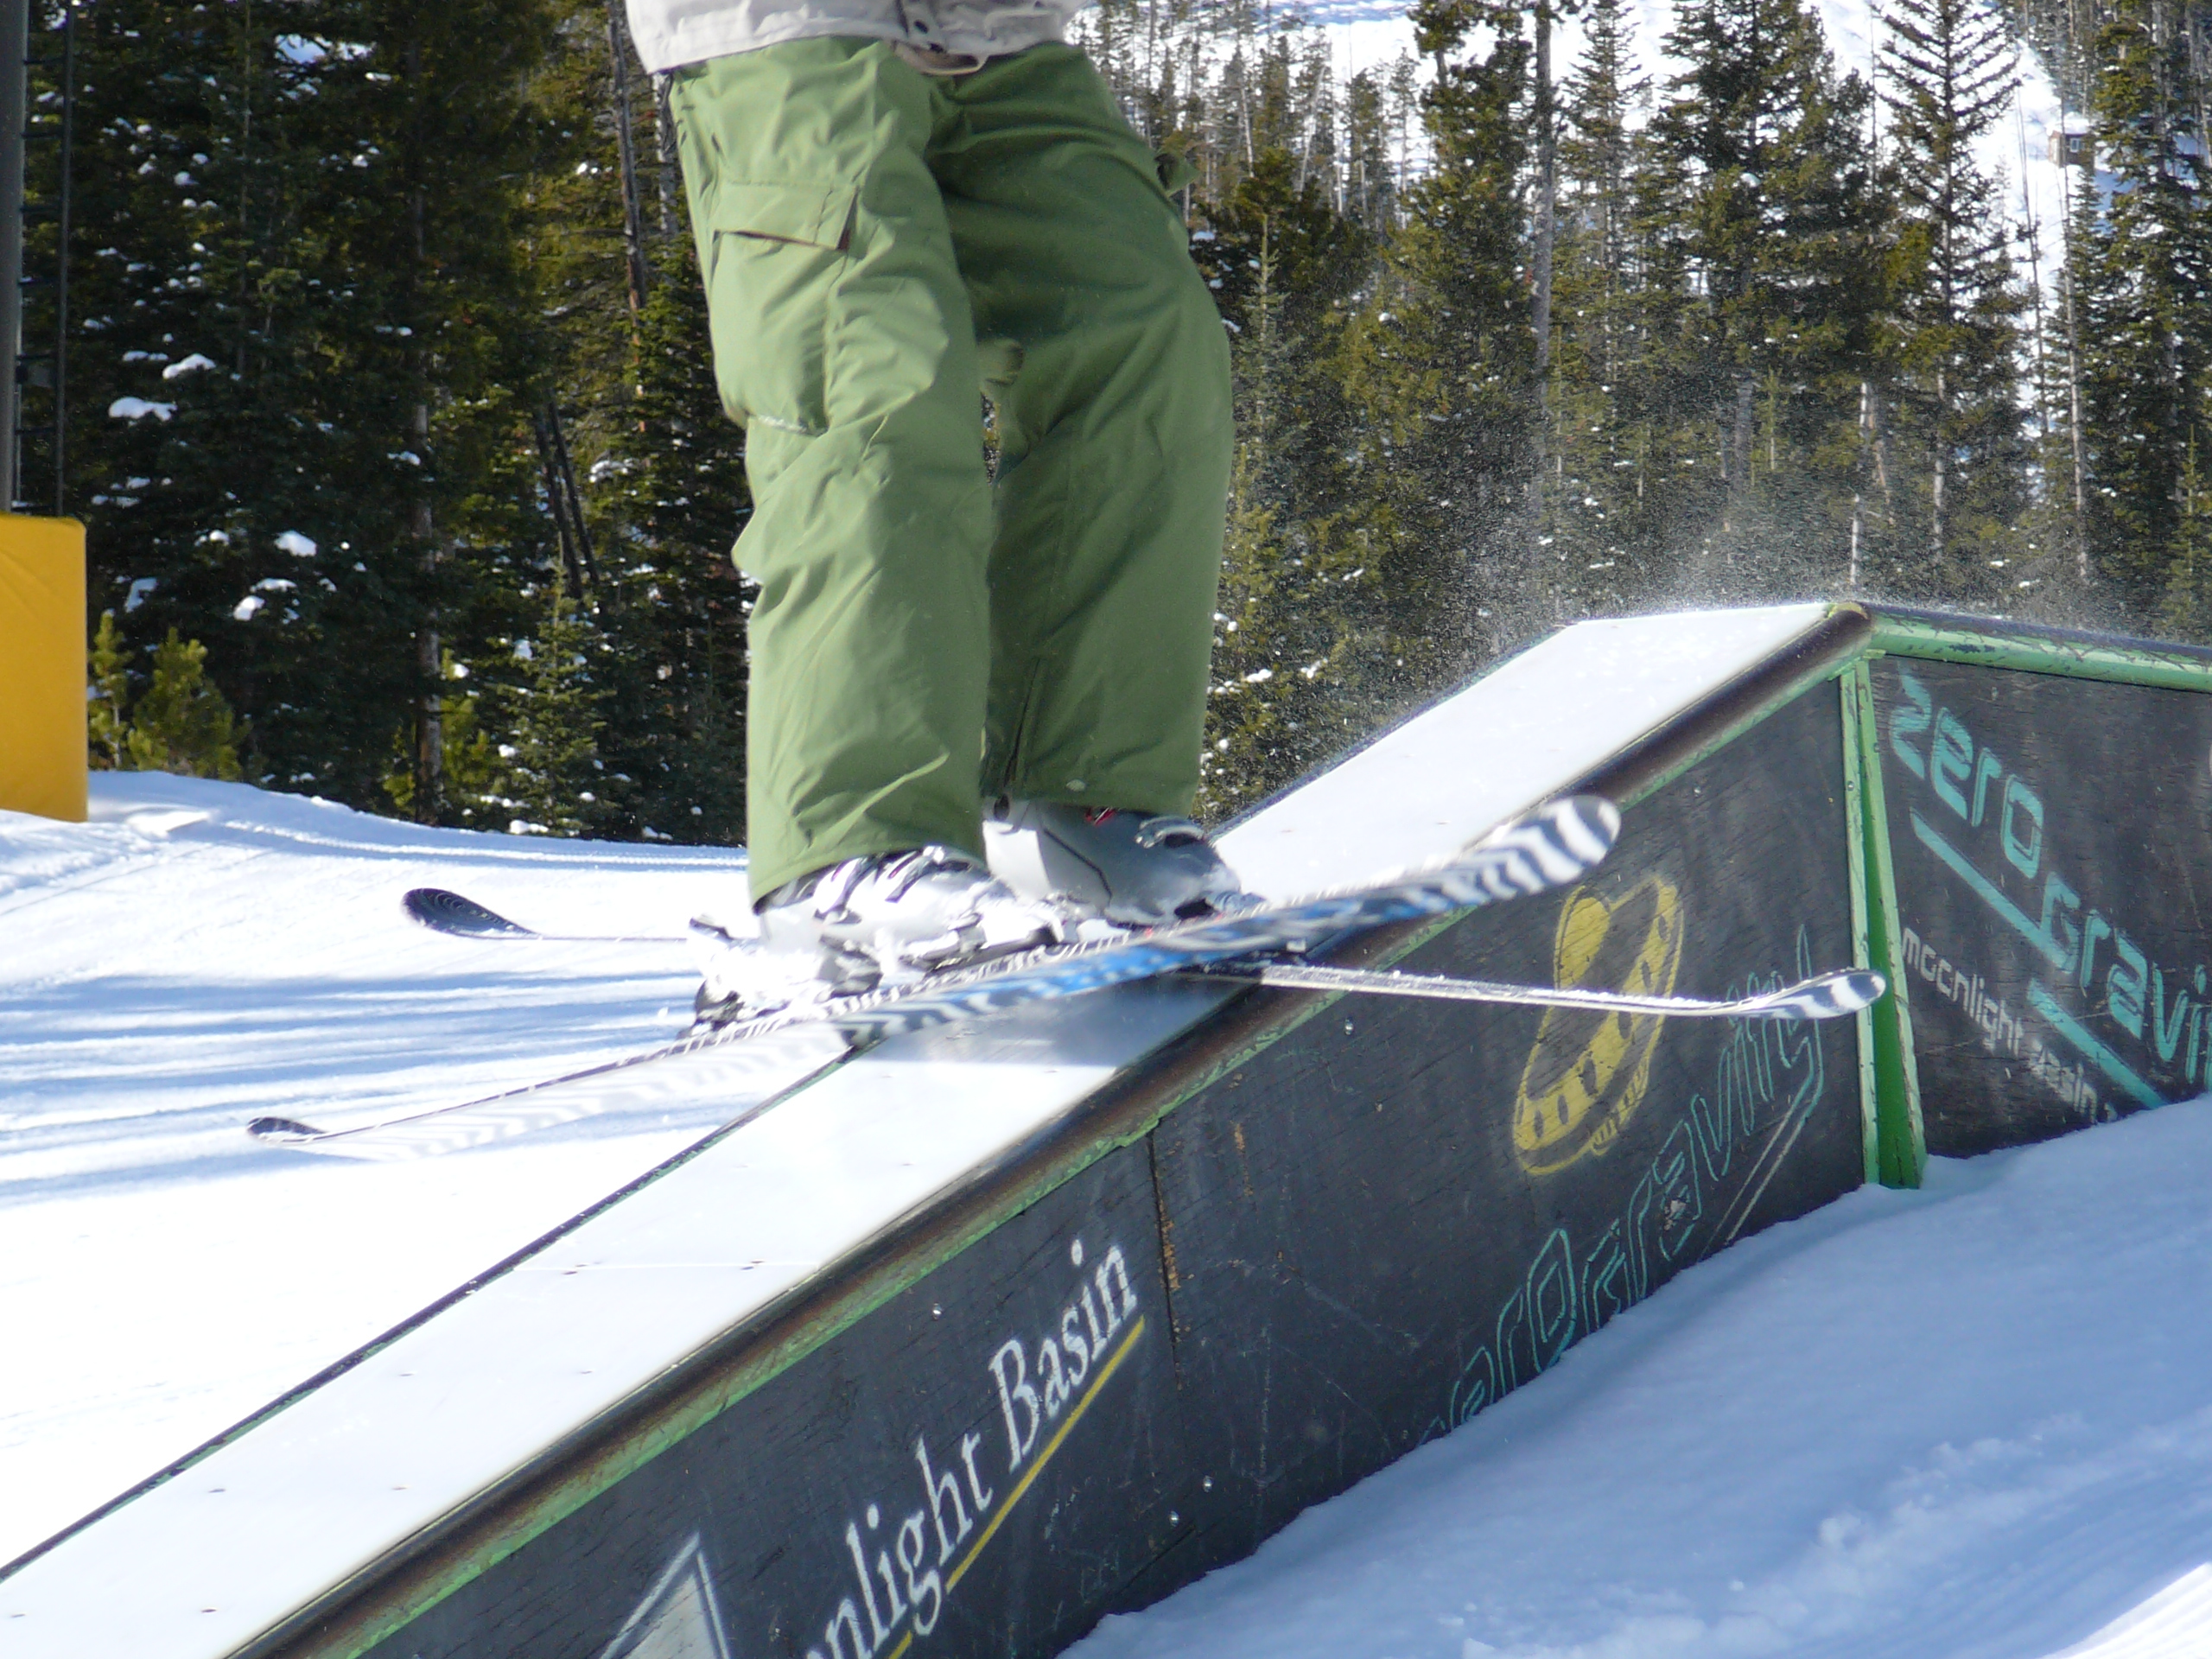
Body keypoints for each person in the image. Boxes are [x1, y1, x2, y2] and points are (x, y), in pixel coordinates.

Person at [627, 0, 1254, 1006]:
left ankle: (1076, 808)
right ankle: (846, 860)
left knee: (1144, 341)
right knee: (875, 383)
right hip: (794, 34)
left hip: (995, 31)